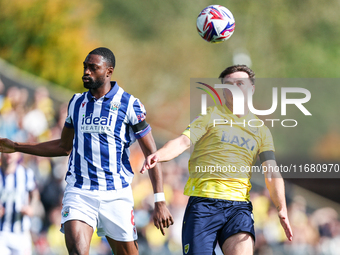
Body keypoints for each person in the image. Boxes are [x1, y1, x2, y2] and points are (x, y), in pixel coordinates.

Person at [0, 47, 173, 255]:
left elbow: (152, 155)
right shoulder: (76, 103)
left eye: (93, 68)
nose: (86, 72)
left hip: (116, 194)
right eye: (85, 67)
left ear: (108, 71)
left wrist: (159, 200)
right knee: (77, 251)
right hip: (80, 191)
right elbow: (64, 147)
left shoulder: (130, 105)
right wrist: (17, 147)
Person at [141, 65, 293, 255]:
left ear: (251, 89)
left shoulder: (261, 130)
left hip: (238, 207)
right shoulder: (210, 116)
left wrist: (282, 208)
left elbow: (271, 173)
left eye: (240, 83)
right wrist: (159, 155)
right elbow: (183, 142)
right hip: (204, 205)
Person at [0, 152, 39, 255]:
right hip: (1, 233)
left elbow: (35, 194)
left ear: (18, 155)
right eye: (5, 152)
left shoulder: (26, 173)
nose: (9, 155)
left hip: (21, 233)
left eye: (12, 152)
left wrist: (31, 207)